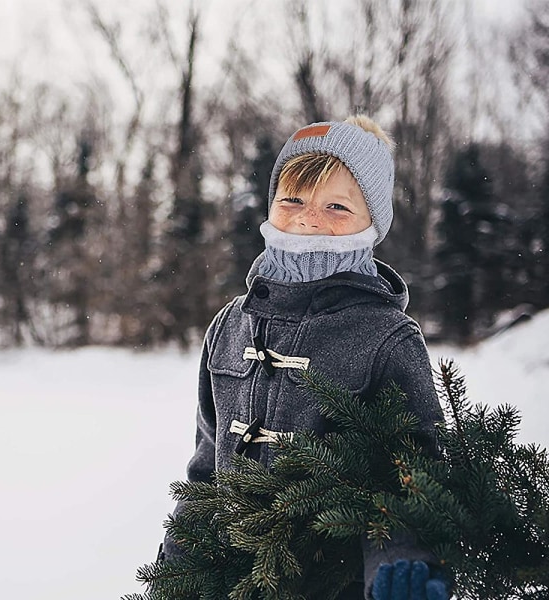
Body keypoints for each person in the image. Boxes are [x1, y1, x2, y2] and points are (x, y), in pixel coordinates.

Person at [161, 116, 448, 600]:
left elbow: (415, 473)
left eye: (337, 205)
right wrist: (178, 568)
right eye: (292, 197)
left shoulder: (387, 337)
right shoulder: (231, 325)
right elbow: (207, 469)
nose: (309, 216)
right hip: (233, 584)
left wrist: (401, 558)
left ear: (371, 224)